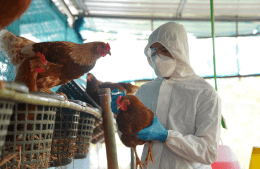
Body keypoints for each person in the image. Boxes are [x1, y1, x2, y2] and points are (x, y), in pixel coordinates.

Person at [111, 22, 221, 169]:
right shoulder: (145, 91)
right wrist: (120, 115)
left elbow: (208, 152)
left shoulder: (205, 94)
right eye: (154, 51)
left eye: (164, 50)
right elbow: (132, 137)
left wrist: (167, 136)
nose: (157, 57)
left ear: (179, 50)